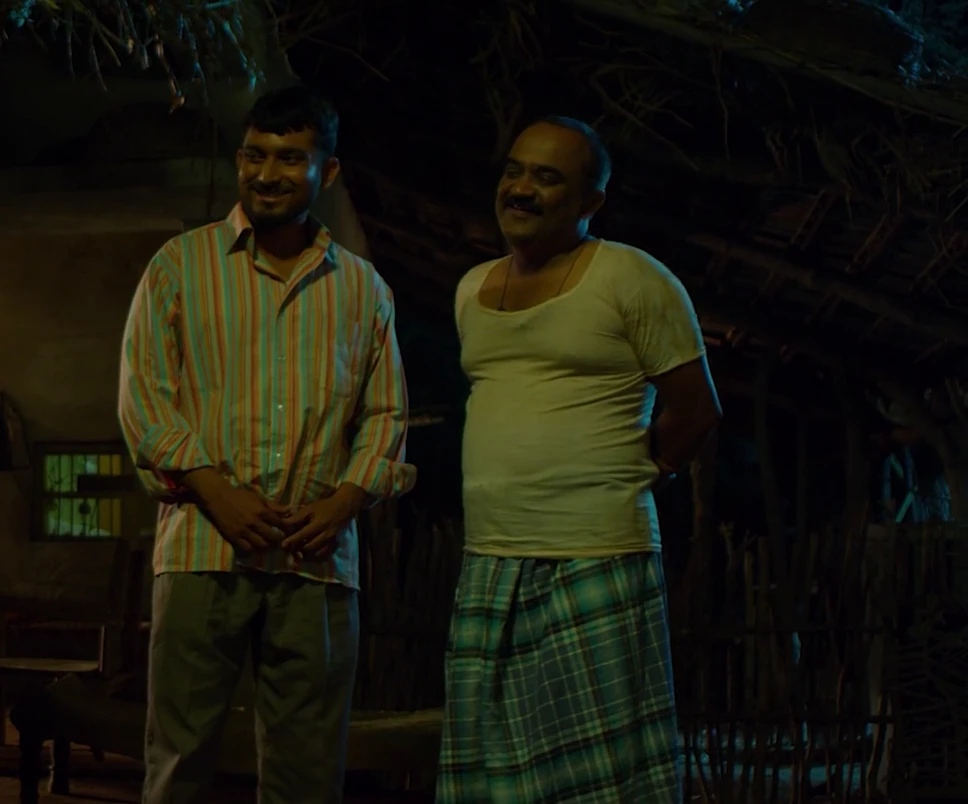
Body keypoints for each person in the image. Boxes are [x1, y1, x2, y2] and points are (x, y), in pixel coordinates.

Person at [118, 85, 415, 804]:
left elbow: (386, 414)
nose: (266, 174)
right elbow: (143, 398)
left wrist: (343, 502)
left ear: (328, 171)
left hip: (317, 560)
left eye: (289, 158)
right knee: (178, 760)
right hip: (201, 547)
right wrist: (215, 491)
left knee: (307, 768)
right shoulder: (179, 265)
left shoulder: (363, 289)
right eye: (255, 155)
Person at [439, 116, 721, 803]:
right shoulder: (471, 289)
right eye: (514, 171)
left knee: (600, 778)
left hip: (596, 554)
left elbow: (695, 409)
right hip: (492, 558)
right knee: (494, 769)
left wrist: (645, 473)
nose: (521, 189)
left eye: (547, 178)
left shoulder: (630, 277)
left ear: (591, 201)